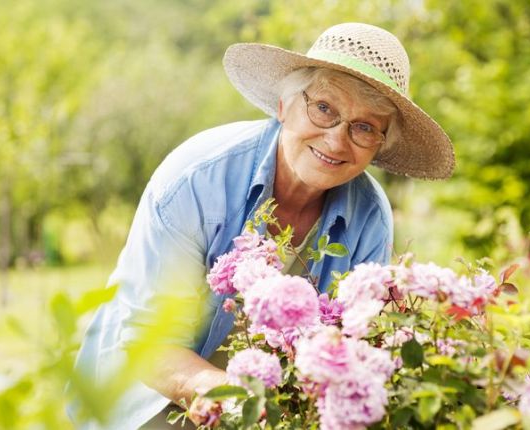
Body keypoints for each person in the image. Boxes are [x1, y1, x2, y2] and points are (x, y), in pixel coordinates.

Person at [70, 22, 454, 429]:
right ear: (285, 105)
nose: (337, 141)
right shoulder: (198, 180)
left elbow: (351, 348)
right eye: (324, 109)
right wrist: (232, 400)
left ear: (380, 143)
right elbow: (146, 343)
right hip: (145, 398)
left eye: (364, 127)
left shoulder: (370, 217)